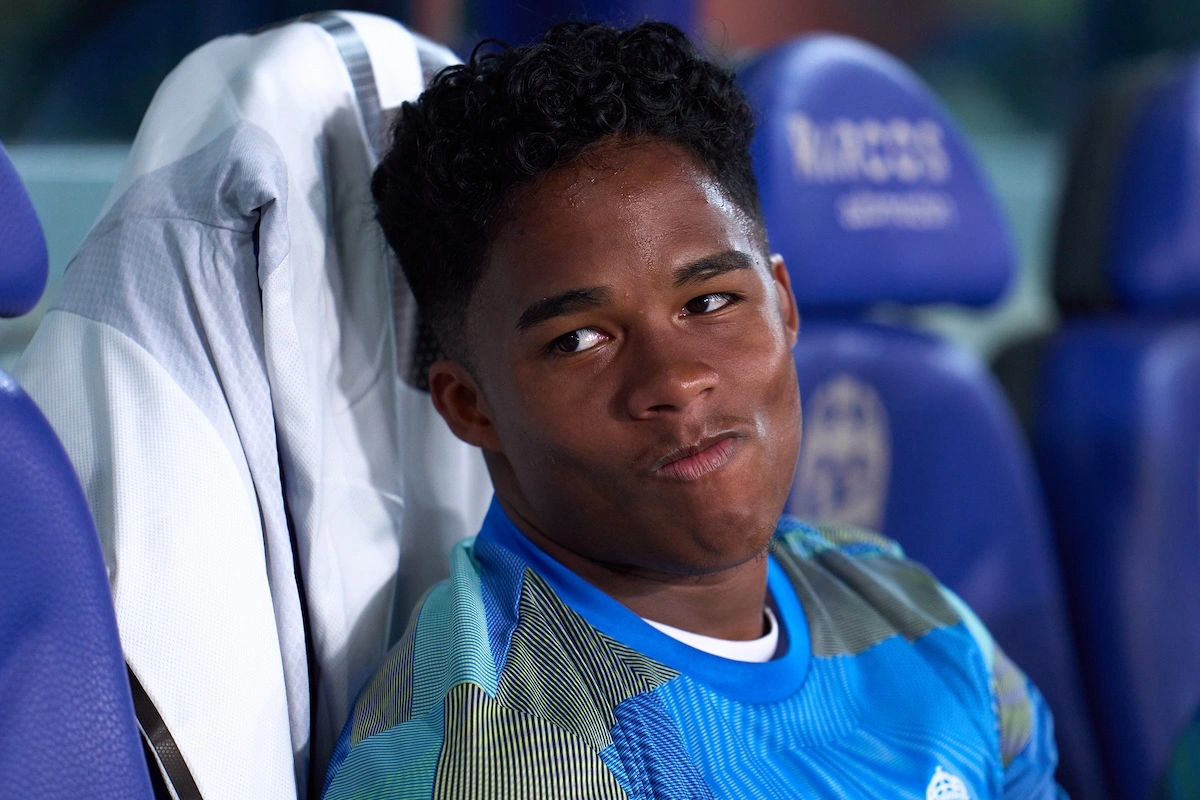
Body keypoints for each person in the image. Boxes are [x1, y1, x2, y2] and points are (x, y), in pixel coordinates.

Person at [322, 20, 1062, 799]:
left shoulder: (908, 611)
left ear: (782, 304)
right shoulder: (506, 758)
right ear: (471, 407)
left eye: (709, 301)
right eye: (578, 341)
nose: (675, 380)